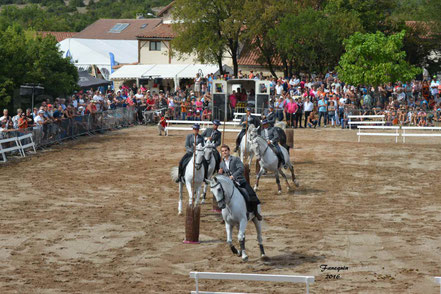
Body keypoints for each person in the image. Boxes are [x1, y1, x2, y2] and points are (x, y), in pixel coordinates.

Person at [218, 144, 262, 221]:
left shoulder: (235, 159)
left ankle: (255, 212)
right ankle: (225, 215)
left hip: (240, 181)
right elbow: (224, 174)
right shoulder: (222, 163)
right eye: (222, 151)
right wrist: (220, 173)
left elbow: (241, 169)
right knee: (221, 196)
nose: (224, 152)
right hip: (229, 184)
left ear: (228, 151)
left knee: (250, 195)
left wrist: (233, 176)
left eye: (225, 150)